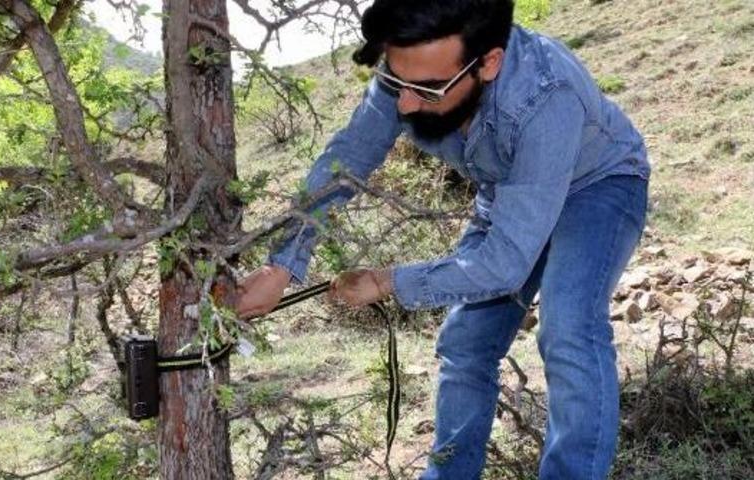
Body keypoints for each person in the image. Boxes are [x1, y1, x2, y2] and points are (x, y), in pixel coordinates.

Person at [236, 0, 650, 478]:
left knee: (568, 326)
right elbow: (348, 157)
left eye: (428, 89)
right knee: (467, 340)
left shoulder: (546, 94)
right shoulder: (413, 72)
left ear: (488, 64)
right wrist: (282, 265)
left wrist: (387, 280)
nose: (405, 104)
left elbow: (504, 264)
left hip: (598, 186)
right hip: (511, 193)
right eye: (396, 81)